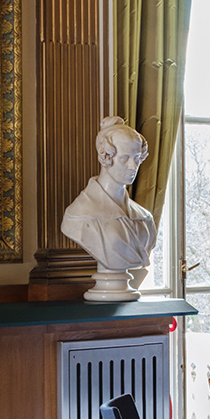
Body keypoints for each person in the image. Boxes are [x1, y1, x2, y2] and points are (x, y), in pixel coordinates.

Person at [62, 115, 158, 300]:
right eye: (125, 159)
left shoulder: (144, 218)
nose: (133, 166)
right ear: (105, 157)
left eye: (137, 158)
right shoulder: (80, 214)